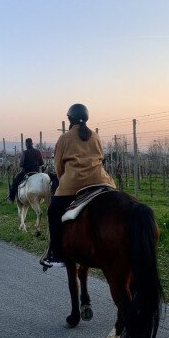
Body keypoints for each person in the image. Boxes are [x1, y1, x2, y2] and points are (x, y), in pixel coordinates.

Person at [40, 103, 116, 268]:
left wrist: (64, 181)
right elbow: (101, 158)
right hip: (102, 181)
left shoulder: (64, 138)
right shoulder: (95, 136)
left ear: (70, 118)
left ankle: (56, 253)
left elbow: (59, 166)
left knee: (53, 211)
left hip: (74, 184)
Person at [6, 138, 44, 202]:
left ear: (26, 144)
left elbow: (21, 164)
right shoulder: (38, 152)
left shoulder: (25, 152)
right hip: (36, 173)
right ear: (32, 144)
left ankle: (11, 198)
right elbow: (42, 163)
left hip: (27, 172)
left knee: (15, 182)